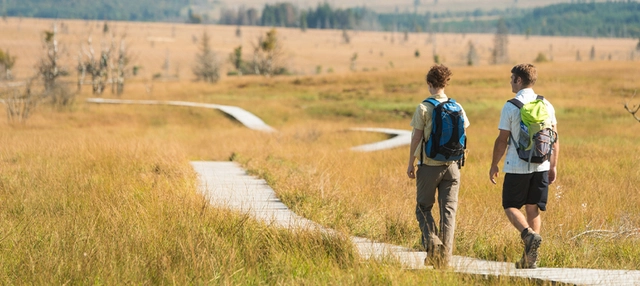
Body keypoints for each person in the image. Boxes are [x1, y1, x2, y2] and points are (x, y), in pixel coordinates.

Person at [489, 63, 560, 269]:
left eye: (512, 78)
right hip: (542, 165)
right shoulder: (546, 104)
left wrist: (494, 163)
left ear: (519, 80)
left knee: (510, 205)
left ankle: (528, 235)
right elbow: (554, 139)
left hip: (516, 166)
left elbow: (502, 139)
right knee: (533, 209)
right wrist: (552, 166)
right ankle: (530, 259)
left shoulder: (511, 106)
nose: (510, 81)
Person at [407, 64, 470, 269]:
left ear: (430, 84)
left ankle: (433, 244)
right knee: (448, 212)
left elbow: (416, 137)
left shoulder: (424, 107)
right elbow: (464, 134)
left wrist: (410, 163)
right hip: (452, 166)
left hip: (429, 166)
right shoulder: (457, 106)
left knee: (423, 208)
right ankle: (445, 260)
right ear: (445, 83)